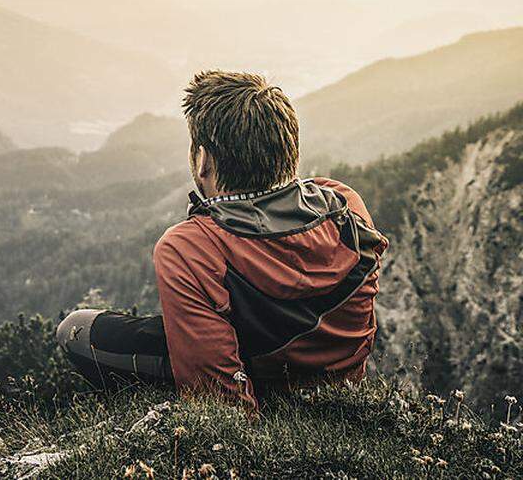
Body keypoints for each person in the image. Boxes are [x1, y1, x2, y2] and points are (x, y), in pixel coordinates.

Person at [56, 70, 388, 409]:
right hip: (337, 385)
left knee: (75, 331)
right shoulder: (346, 204)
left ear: (203, 160)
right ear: (289, 150)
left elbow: (218, 399)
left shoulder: (192, 247)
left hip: (258, 379)